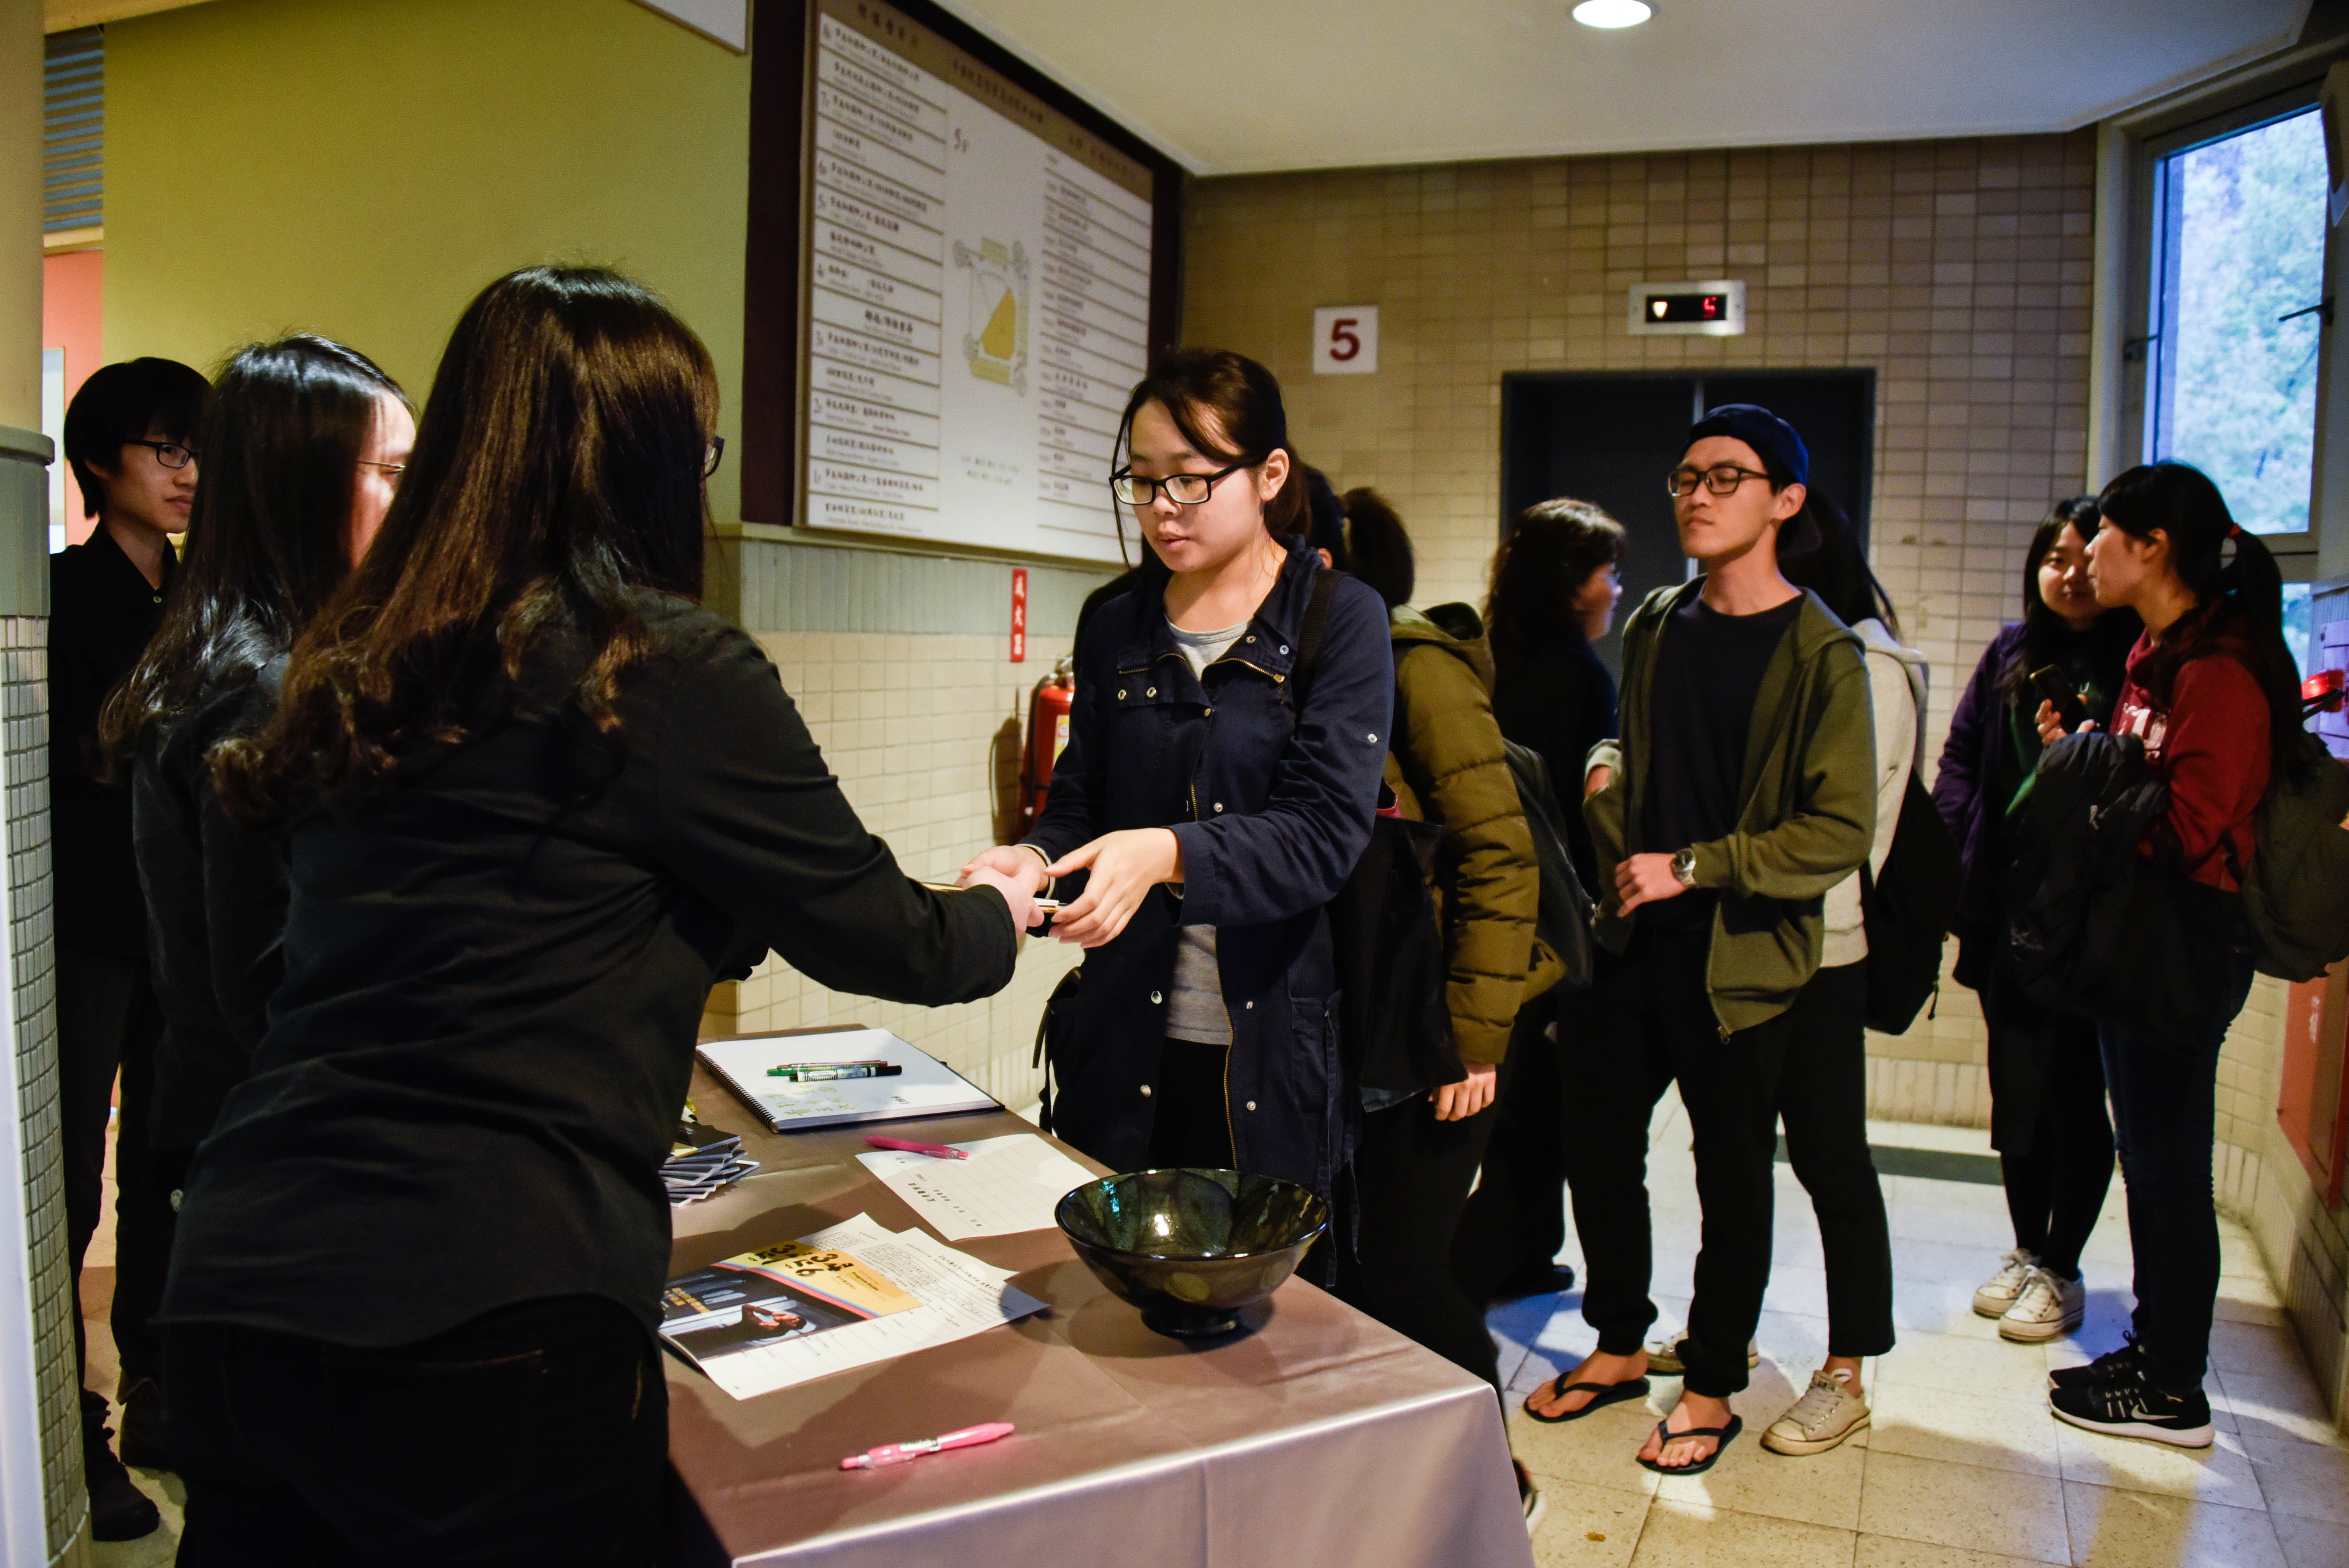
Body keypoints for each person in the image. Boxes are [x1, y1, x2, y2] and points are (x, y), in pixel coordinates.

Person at [158, 267, 1034, 1563]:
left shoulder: (358, 656)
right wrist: (1002, 904)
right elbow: (894, 937)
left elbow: (322, 969)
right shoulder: (661, 662)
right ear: (653, 460)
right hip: (486, 1303)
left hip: (238, 1286)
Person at [1525, 405, 1875, 1479]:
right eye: (1685, 477)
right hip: (1630, 943)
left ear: (1785, 500)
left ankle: (1713, 1383)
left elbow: (1837, 829)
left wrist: (1694, 864)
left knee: (1731, 1176)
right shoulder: (1659, 621)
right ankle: (1620, 1342)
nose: (1697, 494)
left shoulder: (1823, 654)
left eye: (1727, 477)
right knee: (1597, 1149)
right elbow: (1634, 745)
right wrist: (1605, 768)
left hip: (1740, 960)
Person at [964, 348, 1391, 1197]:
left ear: (1270, 474)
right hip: (1121, 1040)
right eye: (1143, 479)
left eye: (1191, 479)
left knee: (1255, 1270)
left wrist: (1166, 853)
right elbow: (1083, 800)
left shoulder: (1339, 619)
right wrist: (1036, 861)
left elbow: (1322, 837)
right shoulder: (1114, 623)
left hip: (1269, 1055)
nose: (1162, 506)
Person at [96, 337, 413, 1474]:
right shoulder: (264, 684)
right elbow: (271, 983)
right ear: (305, 483)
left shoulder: (250, 654)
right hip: (286, 1171)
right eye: (393, 474)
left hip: (252, 1154)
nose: (419, 504)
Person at [2041, 462, 2301, 1447]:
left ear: (2153, 548)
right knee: (2147, 1160)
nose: (2086, 556)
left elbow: (2194, 828)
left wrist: (2094, 781)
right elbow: (2145, 778)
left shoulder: (2221, 670)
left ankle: (2175, 1387)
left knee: (2170, 1169)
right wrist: (2093, 749)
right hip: (2139, 938)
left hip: (2184, 942)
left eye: (2104, 537)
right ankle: (2152, 1350)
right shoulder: (2157, 650)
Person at [1329, 489, 1555, 1531]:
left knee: (1407, 1271)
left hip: (1430, 1028)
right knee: (1349, 1273)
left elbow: (1499, 857)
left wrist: (1472, 1041)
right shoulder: (1307, 668)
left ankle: (1492, 1486)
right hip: (1348, 1022)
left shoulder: (1415, 667)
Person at [52, 354, 208, 1538]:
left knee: (167, 1158)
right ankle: (73, 1426)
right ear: (102, 462)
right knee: (68, 1177)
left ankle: (156, 1389)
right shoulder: (60, 593)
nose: (187, 472)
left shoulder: (207, 598)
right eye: (165, 450)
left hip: (183, 925)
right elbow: (88, 760)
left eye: (198, 451)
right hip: (91, 925)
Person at [1933, 499, 2139, 1344]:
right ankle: (2026, 1248)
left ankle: (2063, 1265)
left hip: (2086, 915)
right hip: (2004, 904)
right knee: (2016, 1089)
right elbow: (1960, 756)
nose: (2071, 575)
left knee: (2074, 1093)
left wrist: (2078, 749)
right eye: (2056, 559)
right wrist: (1951, 849)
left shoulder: (2135, 660)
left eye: (2087, 559)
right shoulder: (2011, 652)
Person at [1752, 494, 1924, 1456]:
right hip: (1748, 938)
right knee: (1733, 1153)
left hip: (1824, 948)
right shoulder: (1781, 650)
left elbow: (1846, 828)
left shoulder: (1868, 665)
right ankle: (1725, 1331)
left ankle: (1849, 1370)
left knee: (1830, 1161)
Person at [1450, 498, 1624, 1306]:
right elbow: (1585, 825)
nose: (1615, 588)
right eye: (1607, 572)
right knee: (1537, 1110)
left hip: (1488, 909)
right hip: (1550, 921)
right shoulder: (1581, 678)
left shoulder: (1488, 662)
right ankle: (1479, 1266)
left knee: (1518, 1103)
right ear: (1570, 582)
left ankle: (1525, 1254)